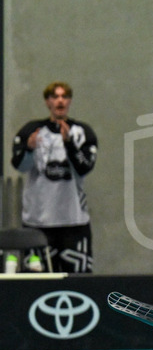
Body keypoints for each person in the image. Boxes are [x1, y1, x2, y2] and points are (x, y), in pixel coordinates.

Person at [10, 81, 97, 273]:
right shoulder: (31, 131)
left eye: (64, 96)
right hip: (38, 223)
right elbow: (19, 166)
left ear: (70, 101)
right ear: (47, 102)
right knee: (36, 282)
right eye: (55, 97)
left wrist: (69, 144)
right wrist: (29, 149)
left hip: (74, 223)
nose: (60, 101)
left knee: (78, 281)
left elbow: (84, 168)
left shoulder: (83, 132)